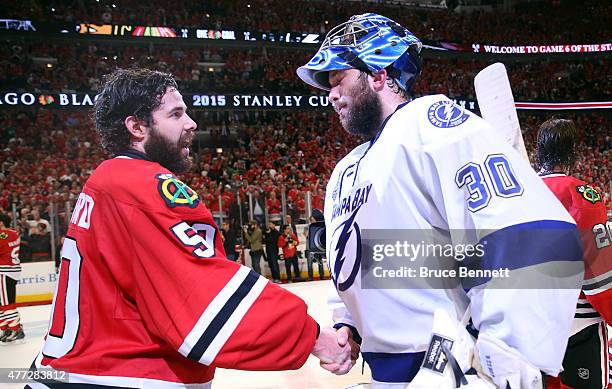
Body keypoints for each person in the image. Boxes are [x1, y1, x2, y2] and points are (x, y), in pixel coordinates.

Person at [297, 13, 584, 387]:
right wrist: (347, 325)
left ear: (380, 75)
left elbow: (531, 232)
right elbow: (362, 262)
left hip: (447, 369)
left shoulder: (429, 123)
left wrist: (510, 356)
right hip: (386, 372)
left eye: (340, 78)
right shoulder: (345, 170)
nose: (331, 94)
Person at [30, 68, 352, 387]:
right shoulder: (139, 185)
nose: (191, 123)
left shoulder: (108, 179)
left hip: (77, 371)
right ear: (137, 127)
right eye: (176, 114)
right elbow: (200, 291)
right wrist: (311, 337)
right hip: (117, 377)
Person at [536, 118, 611, 389]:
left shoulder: (517, 191)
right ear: (573, 153)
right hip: (579, 327)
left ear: (538, 152)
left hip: (529, 325)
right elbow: (599, 274)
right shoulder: (582, 195)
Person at [0, 213, 25, 344]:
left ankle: (16, 329)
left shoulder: (3, 235)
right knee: (2, 303)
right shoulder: (14, 233)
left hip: (4, 271)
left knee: (6, 304)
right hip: (11, 270)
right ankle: (6, 329)